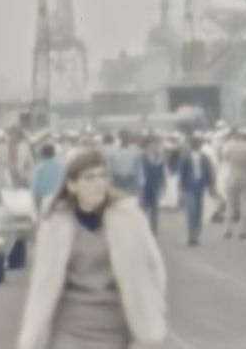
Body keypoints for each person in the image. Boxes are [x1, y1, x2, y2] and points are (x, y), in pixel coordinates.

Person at [17, 150, 167, 349]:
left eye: (103, 176)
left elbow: (153, 267)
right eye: (89, 178)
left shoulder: (128, 218)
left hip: (115, 328)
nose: (99, 183)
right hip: (69, 329)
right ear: (72, 185)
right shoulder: (55, 223)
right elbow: (43, 279)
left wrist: (151, 307)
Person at [173, 135, 218, 248]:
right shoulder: (185, 157)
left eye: (198, 143)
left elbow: (209, 172)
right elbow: (181, 174)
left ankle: (196, 235)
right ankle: (191, 235)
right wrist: (180, 190)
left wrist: (211, 187)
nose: (196, 145)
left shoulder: (205, 157)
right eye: (195, 143)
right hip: (189, 187)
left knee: (199, 212)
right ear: (191, 144)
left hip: (200, 187)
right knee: (191, 211)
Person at [221, 129, 246, 241]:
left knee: (230, 205)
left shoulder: (229, 146)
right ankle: (242, 230)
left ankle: (227, 229)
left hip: (231, 176)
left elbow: (225, 159)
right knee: (245, 204)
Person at [138, 136, 167, 237]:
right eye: (152, 145)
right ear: (148, 146)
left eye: (156, 145)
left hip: (155, 186)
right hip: (145, 186)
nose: (154, 147)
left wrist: (163, 185)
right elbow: (139, 171)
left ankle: (153, 230)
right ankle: (143, 229)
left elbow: (162, 173)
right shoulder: (142, 157)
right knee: (144, 208)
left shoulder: (160, 158)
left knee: (155, 210)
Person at [32, 144, 65, 209]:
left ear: (42, 154)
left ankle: (38, 214)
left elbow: (35, 182)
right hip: (57, 193)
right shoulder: (61, 165)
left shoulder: (40, 166)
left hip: (42, 194)